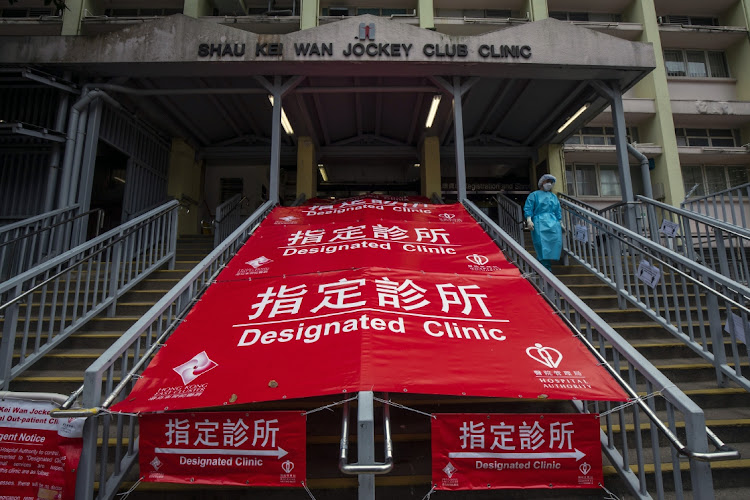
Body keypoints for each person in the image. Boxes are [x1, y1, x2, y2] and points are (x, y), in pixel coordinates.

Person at [523, 174, 562, 272]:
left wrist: (560, 222)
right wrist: (529, 220)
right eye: (547, 181)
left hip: (553, 223)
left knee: (553, 243)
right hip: (539, 222)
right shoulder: (534, 195)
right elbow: (529, 207)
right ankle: (543, 267)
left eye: (551, 182)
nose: (549, 184)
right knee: (541, 244)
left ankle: (545, 266)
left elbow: (557, 210)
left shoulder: (553, 196)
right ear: (541, 183)